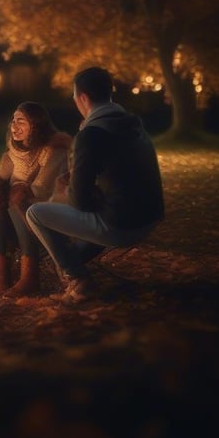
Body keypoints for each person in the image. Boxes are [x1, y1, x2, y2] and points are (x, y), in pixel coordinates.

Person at [26, 66, 165, 305]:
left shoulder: (91, 134)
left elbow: (79, 202)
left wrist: (68, 189)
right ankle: (73, 263)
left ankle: (79, 280)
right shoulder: (130, 123)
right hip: (149, 217)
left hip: (123, 226)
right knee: (84, 220)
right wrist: (80, 173)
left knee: (35, 213)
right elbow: (122, 169)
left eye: (74, 98)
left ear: (83, 98)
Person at [0, 102, 72, 296]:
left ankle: (30, 276)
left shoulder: (53, 150)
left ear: (36, 124)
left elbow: (42, 189)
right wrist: (0, 186)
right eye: (13, 121)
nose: (14, 126)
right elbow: (3, 181)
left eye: (21, 121)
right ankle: (0, 275)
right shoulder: (13, 153)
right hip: (18, 217)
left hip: (49, 210)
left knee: (18, 201)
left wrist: (17, 190)